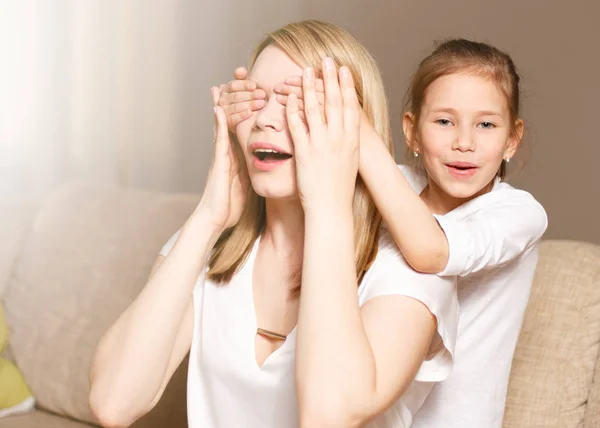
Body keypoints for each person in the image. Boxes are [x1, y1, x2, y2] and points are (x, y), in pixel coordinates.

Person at [88, 20, 458, 428]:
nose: (265, 119)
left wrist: (327, 203)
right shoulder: (214, 248)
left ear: (355, 128)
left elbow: (328, 415)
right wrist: (207, 217)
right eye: (256, 99)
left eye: (297, 103)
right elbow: (113, 404)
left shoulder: (406, 270)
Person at [223, 38, 548, 427]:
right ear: (411, 131)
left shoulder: (518, 214)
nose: (464, 142)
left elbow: (430, 252)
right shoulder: (394, 183)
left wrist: (359, 129)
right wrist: (247, 116)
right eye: (444, 121)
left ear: (512, 139)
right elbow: (312, 200)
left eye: (486, 125)